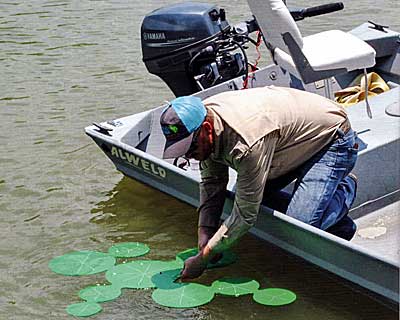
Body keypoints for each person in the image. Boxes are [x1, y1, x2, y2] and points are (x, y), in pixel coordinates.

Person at [160, 86, 359, 280]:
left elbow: (246, 216)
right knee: (244, 198)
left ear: (206, 128)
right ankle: (329, 212)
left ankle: (344, 188)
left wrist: (204, 258)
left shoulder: (245, 143)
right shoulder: (202, 122)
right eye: (182, 150)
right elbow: (213, 182)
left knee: (300, 226)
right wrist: (205, 232)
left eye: (190, 147)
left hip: (332, 138)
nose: (189, 155)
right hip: (287, 143)